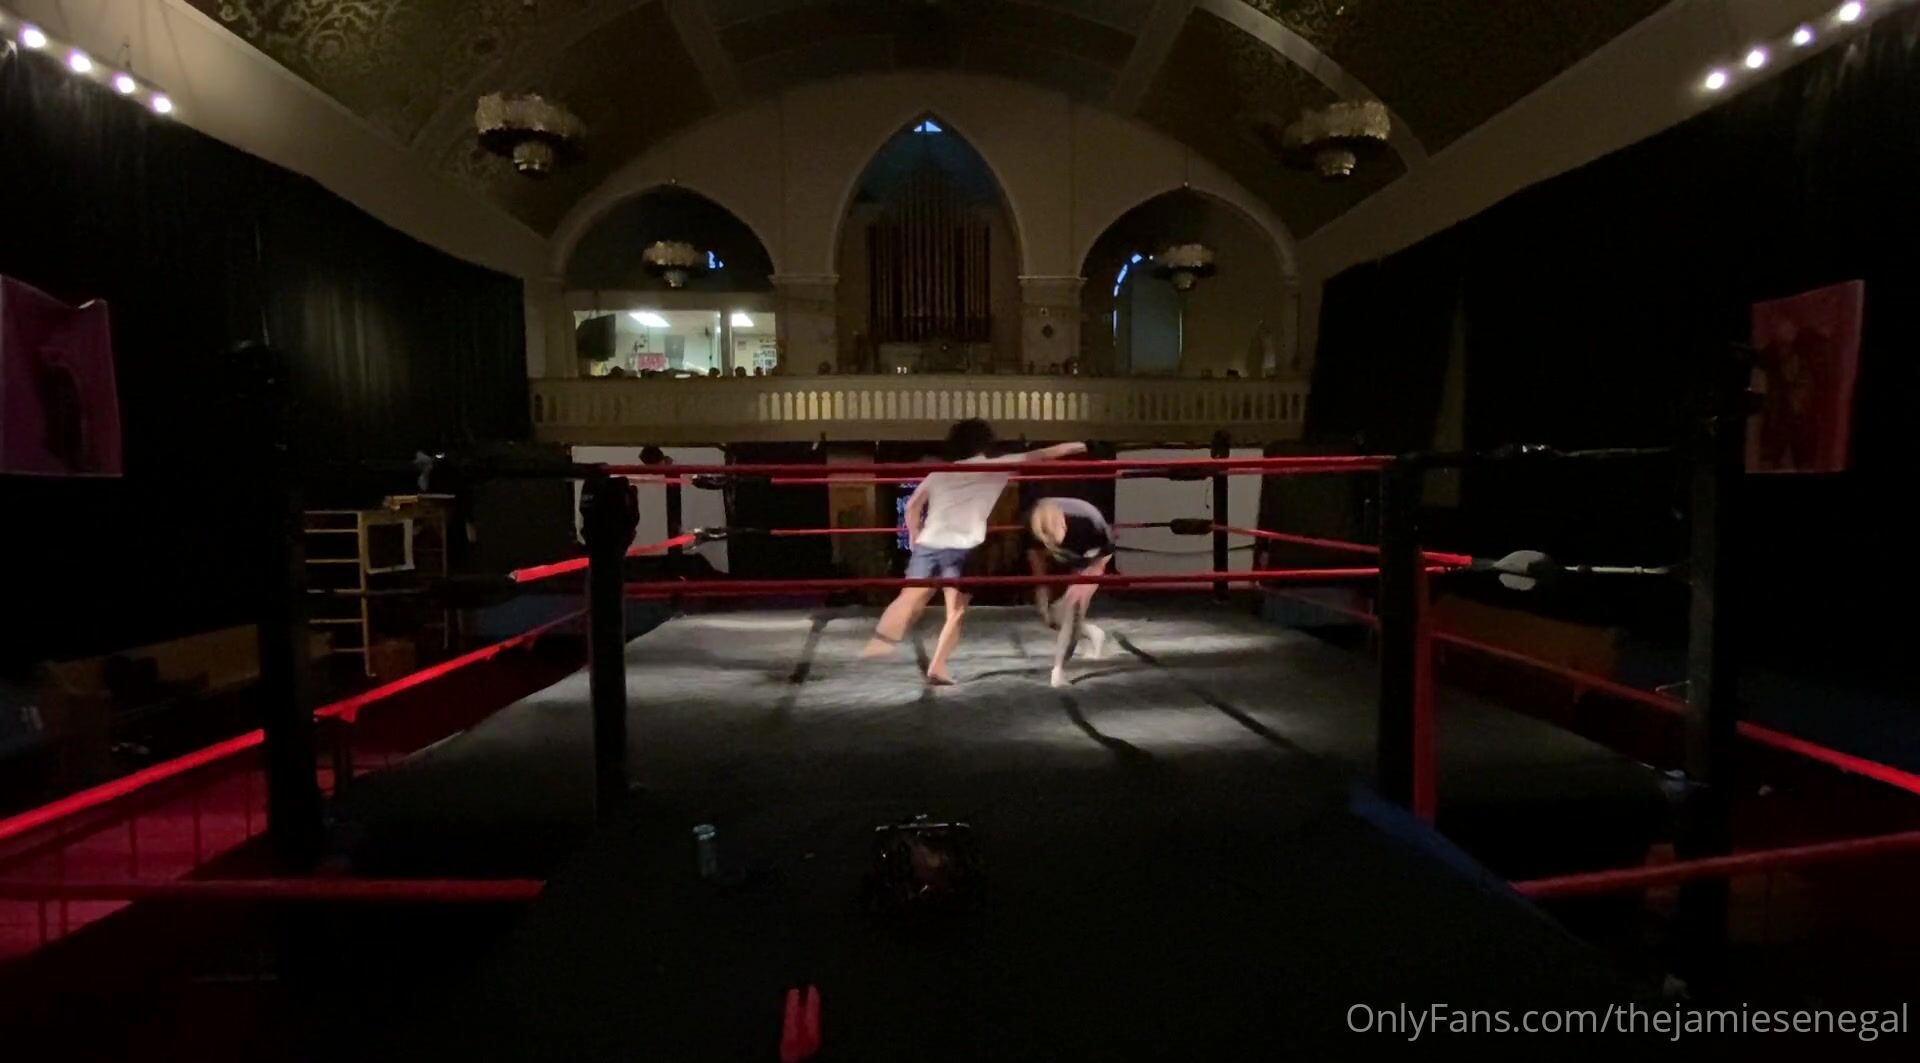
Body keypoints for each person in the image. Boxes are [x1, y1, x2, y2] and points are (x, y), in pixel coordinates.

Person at [862, 420, 1087, 684]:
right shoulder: (996, 466)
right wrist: (1080, 444)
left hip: (930, 543)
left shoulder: (939, 473)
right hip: (963, 548)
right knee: (955, 612)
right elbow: (1044, 454)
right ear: (985, 444)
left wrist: (913, 536)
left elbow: (912, 506)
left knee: (908, 599)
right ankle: (938, 666)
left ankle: (875, 650)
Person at [1027, 497, 1116, 688]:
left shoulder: (1087, 521)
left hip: (1096, 556)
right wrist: (1042, 595)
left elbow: (1104, 551)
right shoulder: (1033, 526)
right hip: (1069, 555)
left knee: (1074, 604)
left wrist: (1085, 579)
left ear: (1064, 524)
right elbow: (1037, 564)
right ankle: (1092, 633)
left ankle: (1059, 669)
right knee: (1051, 616)